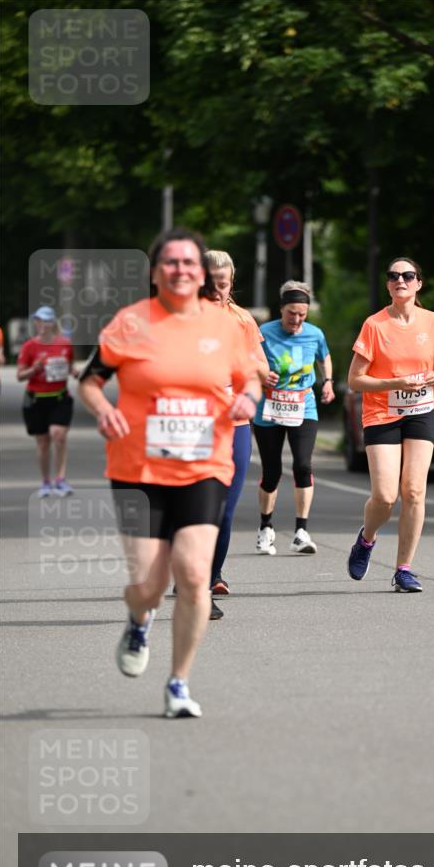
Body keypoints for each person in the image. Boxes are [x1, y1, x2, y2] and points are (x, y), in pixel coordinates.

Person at [78, 228, 260, 718]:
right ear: (156, 272)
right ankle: (140, 619)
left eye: (190, 263)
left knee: (195, 574)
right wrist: (101, 409)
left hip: (204, 463)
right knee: (148, 583)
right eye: (171, 263)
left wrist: (248, 396)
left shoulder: (225, 326)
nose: (181, 270)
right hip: (138, 466)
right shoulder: (131, 323)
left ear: (201, 273)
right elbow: (91, 381)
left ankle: (178, 683)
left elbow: (251, 376)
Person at [346, 257, 434, 592]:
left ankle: (404, 569)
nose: (400, 280)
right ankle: (367, 539)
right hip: (381, 413)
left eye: (407, 275)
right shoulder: (374, 326)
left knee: (415, 491)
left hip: (421, 409)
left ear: (419, 283)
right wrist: (394, 384)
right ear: (388, 285)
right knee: (386, 495)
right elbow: (355, 380)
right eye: (393, 276)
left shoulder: (432, 321)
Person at [203, 249, 269, 619]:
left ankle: (210, 577)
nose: (217, 290)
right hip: (194, 425)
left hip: (236, 425)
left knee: (225, 510)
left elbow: (260, 364)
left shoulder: (242, 320)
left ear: (232, 284)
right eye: (210, 283)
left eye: (223, 284)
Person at [253, 280, 335, 555]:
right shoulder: (264, 332)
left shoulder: (314, 333)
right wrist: (261, 374)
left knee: (302, 464)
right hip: (269, 408)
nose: (297, 320)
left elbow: (325, 357)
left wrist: (328, 381)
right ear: (281, 310)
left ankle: (301, 531)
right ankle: (266, 528)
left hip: (304, 406)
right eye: (291, 314)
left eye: (302, 314)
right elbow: (248, 361)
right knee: (272, 471)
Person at [17, 306, 76, 497]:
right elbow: (20, 375)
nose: (43, 325)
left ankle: (61, 479)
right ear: (35, 323)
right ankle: (45, 481)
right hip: (36, 400)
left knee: (58, 435)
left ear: (53, 323)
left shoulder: (65, 344)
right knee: (43, 443)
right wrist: (34, 369)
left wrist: (74, 371)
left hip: (59, 398)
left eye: (47, 321)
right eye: (39, 321)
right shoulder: (29, 347)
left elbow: (69, 366)